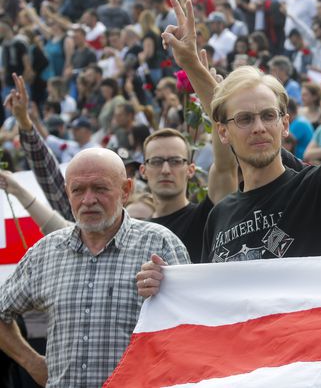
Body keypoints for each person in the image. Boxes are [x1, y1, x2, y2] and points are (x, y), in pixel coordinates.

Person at [137, 0, 321, 277]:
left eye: (268, 116)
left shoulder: (314, 191)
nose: (259, 127)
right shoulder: (220, 214)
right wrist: (166, 284)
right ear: (222, 132)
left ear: (285, 123)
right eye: (246, 119)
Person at [0, 148, 189, 387]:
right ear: (67, 193)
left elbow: (192, 328)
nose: (88, 200)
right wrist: (32, 363)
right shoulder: (44, 253)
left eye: (100, 188)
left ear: (126, 191)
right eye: (78, 190)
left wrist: (169, 291)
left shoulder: (160, 244)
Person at [141, 125, 237, 263]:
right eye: (156, 162)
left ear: (191, 170)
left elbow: (226, 167)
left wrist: (214, 108)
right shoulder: (138, 232)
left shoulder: (207, 217)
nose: (165, 170)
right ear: (143, 171)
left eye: (175, 161)